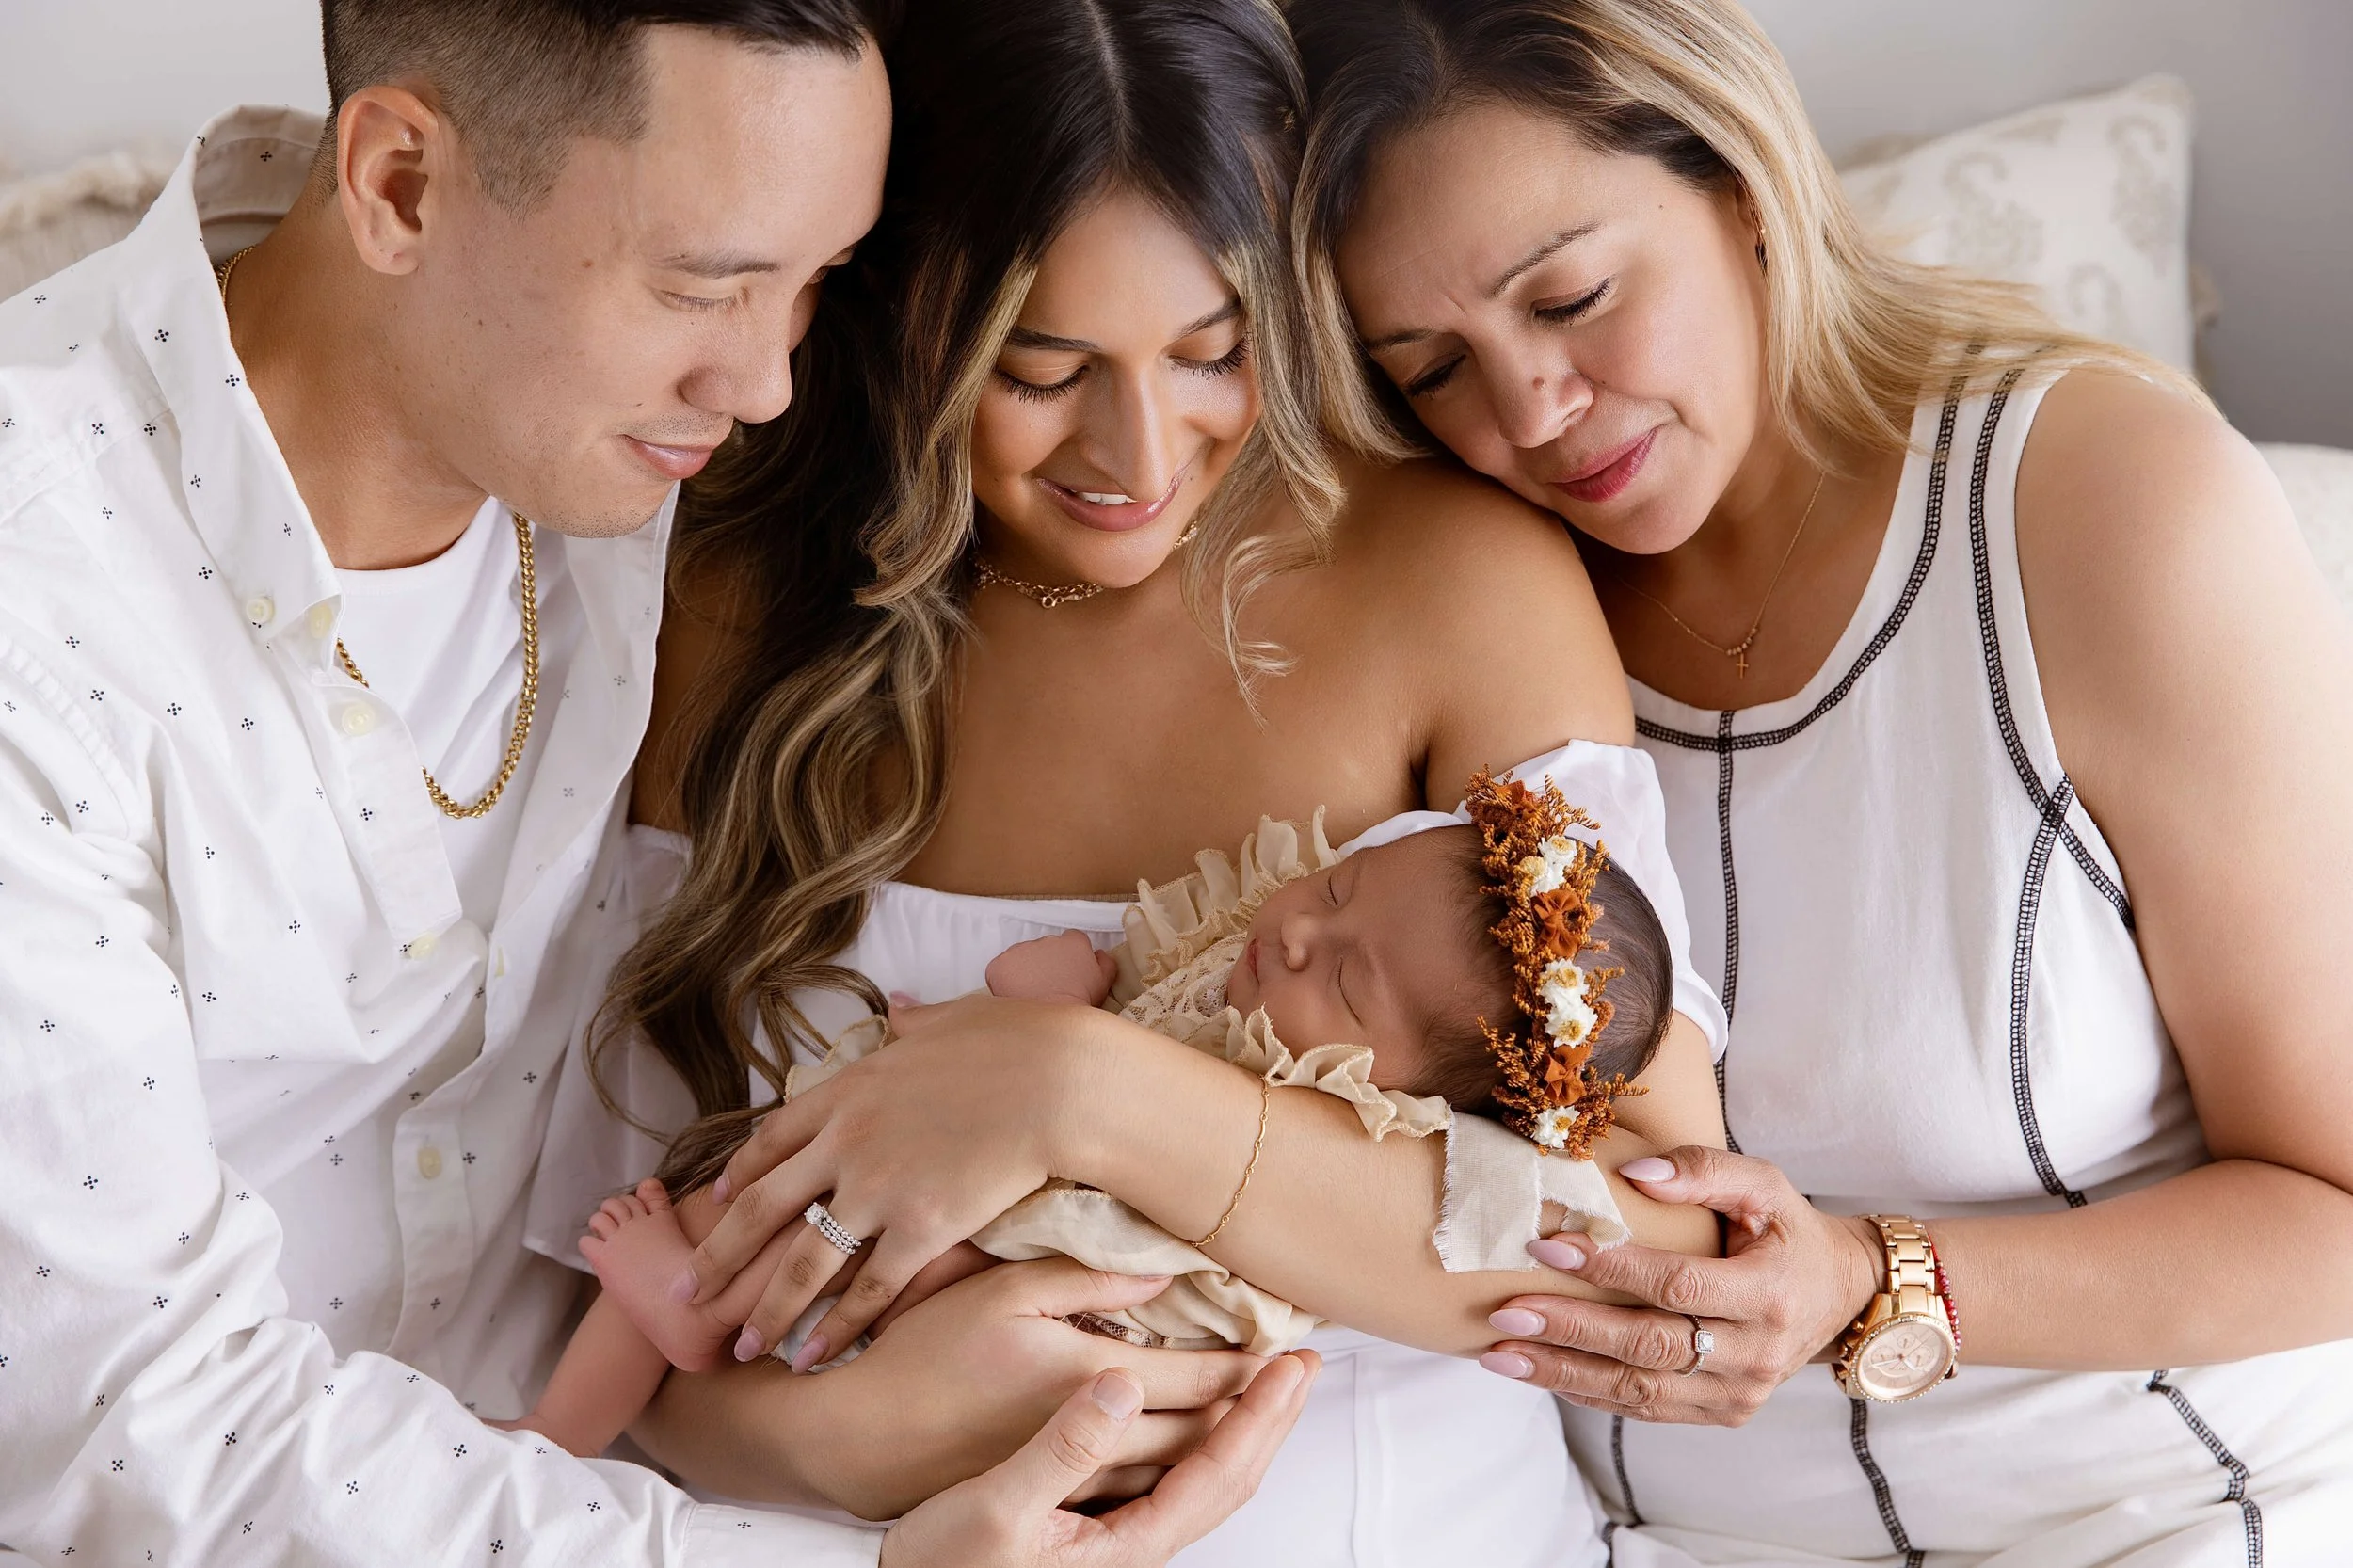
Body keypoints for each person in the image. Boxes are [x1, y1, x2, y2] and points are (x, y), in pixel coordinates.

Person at [0, 3, 1314, 1563]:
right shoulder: (49, 613)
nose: (766, 383)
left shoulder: (650, 474)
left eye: (815, 283)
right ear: (403, 186)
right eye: (707, 285)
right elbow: (139, 1432)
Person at [529, 1, 1729, 1563]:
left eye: (1212, 349)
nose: (1142, 449)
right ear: (898, 312)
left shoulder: (1450, 585)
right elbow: (602, 1266)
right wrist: (860, 1438)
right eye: (1040, 369)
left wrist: (1089, 1095)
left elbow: (1662, 1255)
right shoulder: (735, 608)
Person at [1285, 0, 2353, 1561]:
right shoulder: (1467, 601)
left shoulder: (2106, 505)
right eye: (1433, 367)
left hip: (2155, 1514)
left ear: (1739, 182)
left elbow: (2336, 1207)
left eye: (1573, 297)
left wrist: (1875, 1275)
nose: (1528, 412)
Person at [509, 779, 1673, 1456]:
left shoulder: (1322, 1128)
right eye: (1335, 886)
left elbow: (1608, 1241)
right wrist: (1043, 1005)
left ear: (1416, 1098)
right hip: (946, 1193)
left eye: (1351, 985)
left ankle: (690, 1318)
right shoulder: (1223, 974)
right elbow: (1082, 1006)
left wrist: (1053, 1051)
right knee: (784, 1176)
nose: (1301, 933)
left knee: (809, 1213)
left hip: (1052, 1263)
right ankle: (554, 1440)